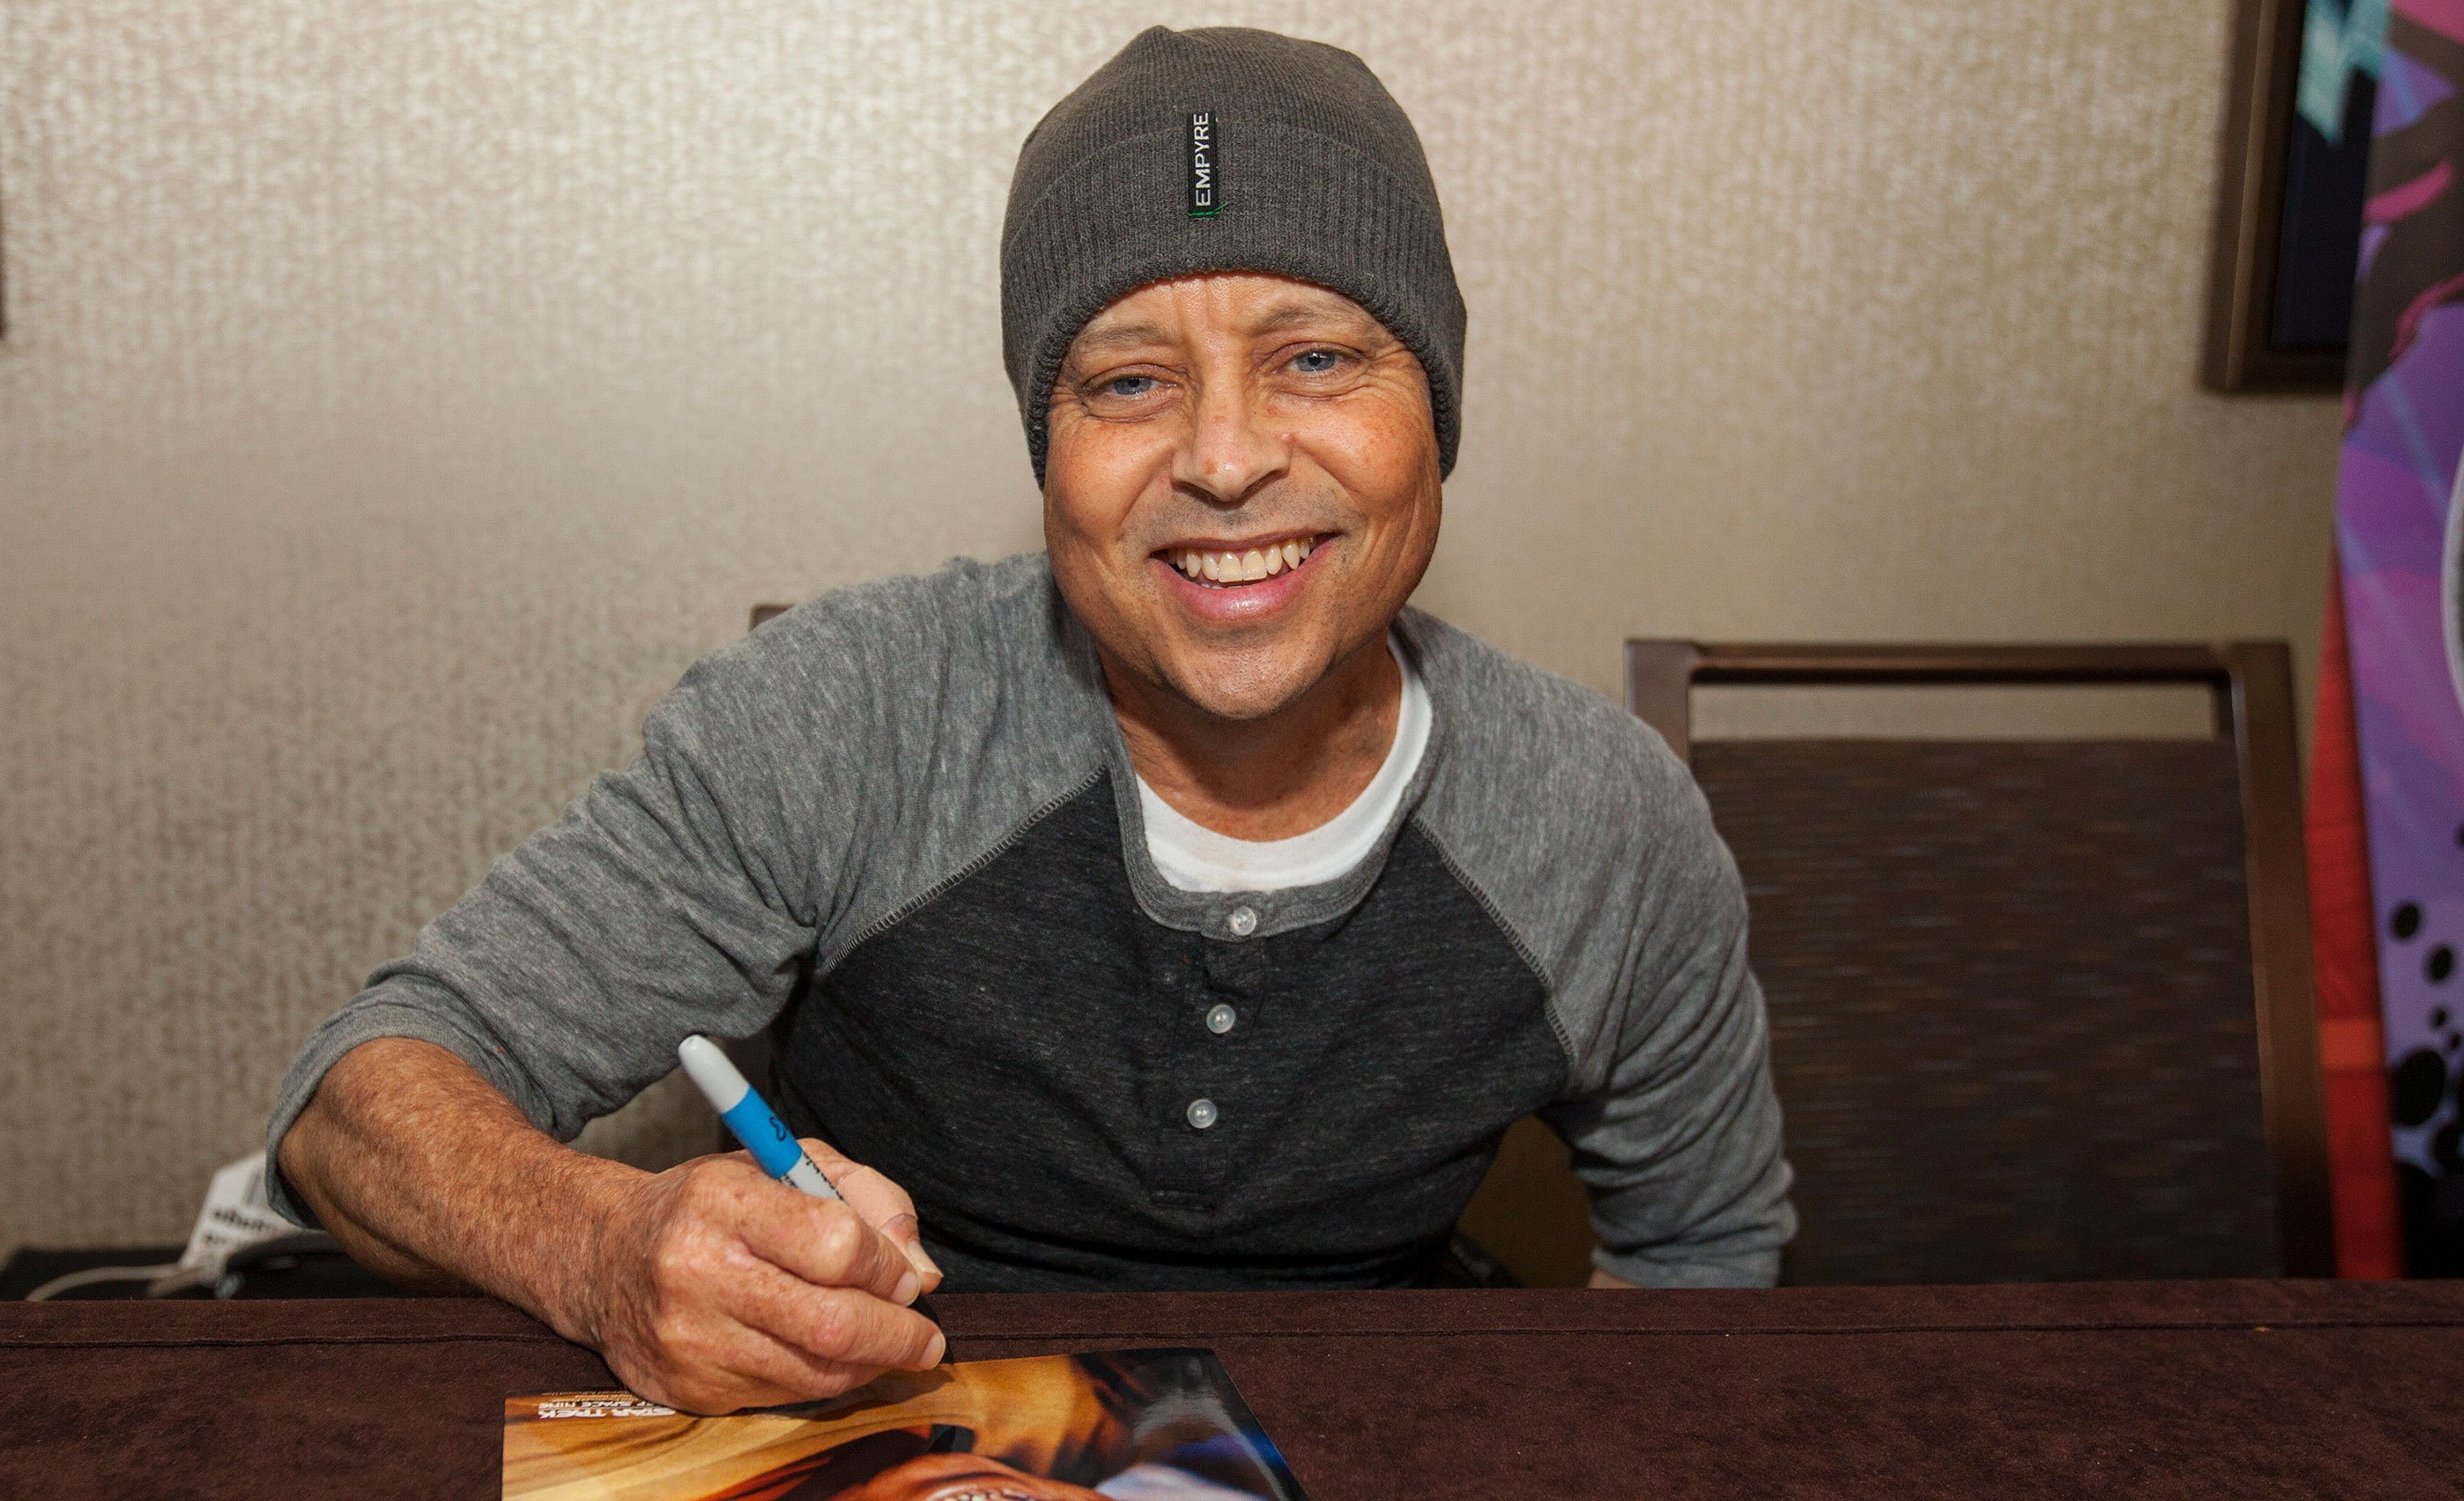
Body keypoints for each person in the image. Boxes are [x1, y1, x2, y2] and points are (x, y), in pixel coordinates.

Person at [269, 25, 1794, 1417]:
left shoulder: (1605, 818)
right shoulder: (856, 708)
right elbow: (356, 1098)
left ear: (1436, 409)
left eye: (1317, 358)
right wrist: (601, 1243)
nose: (1223, 458)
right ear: (1045, 448)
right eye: (1128, 380)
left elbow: (1703, 1258)